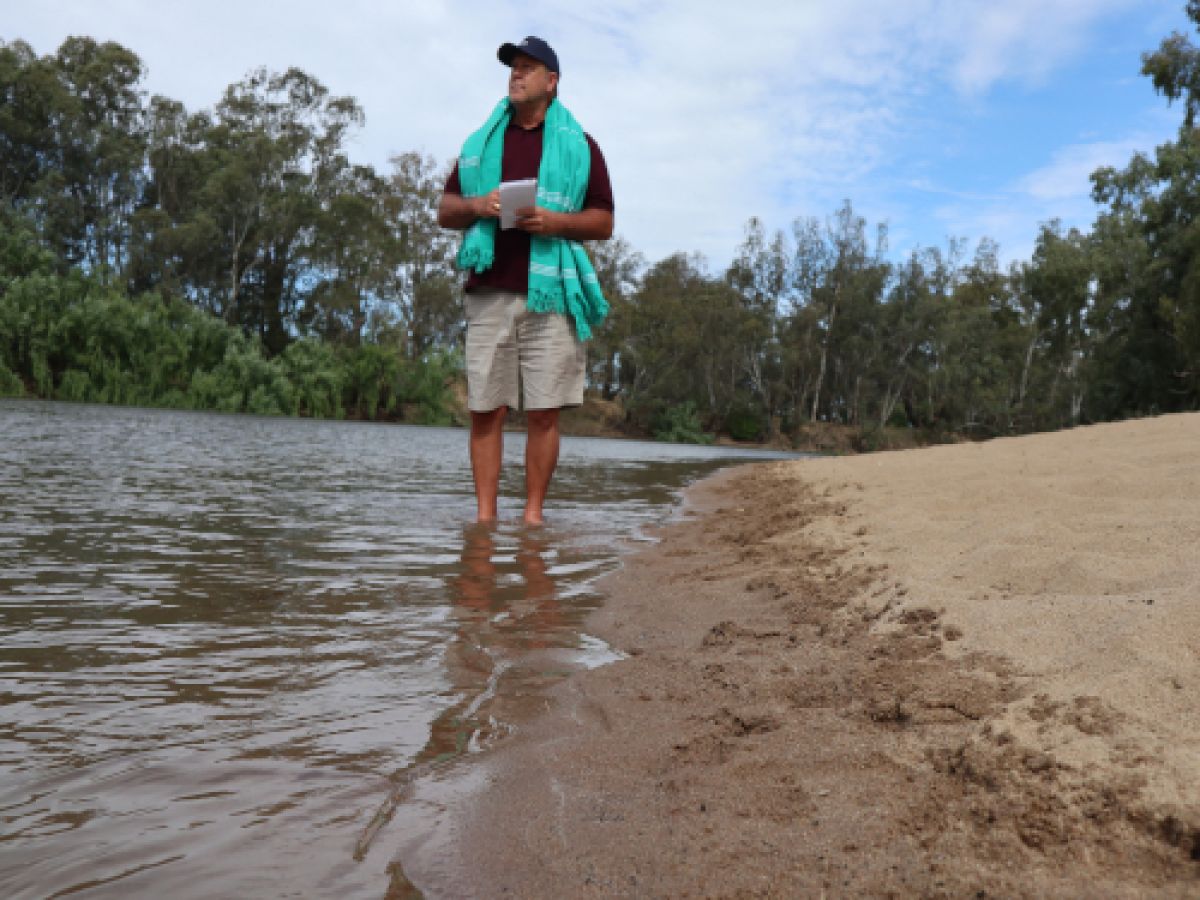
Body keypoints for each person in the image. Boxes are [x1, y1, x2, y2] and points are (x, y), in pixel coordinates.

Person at [438, 36, 614, 526]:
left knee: (544, 412)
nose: (515, 74)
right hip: (490, 291)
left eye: (526, 67)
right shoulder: (482, 143)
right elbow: (445, 211)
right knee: (485, 410)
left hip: (551, 294)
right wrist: (479, 205)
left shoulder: (580, 146)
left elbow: (603, 221)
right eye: (512, 67)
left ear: (551, 82)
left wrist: (555, 222)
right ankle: (485, 522)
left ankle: (533, 518)